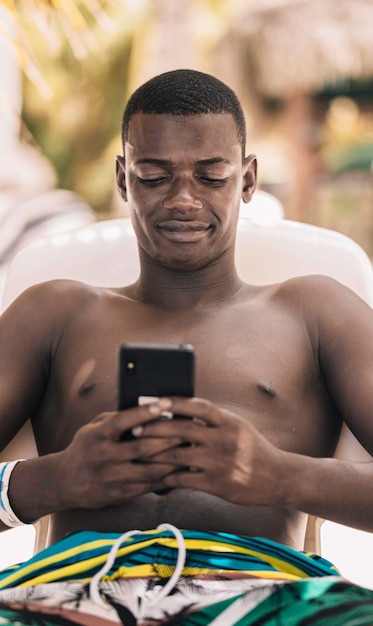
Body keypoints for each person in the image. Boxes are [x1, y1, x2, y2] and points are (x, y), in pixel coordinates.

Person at [0, 69, 372, 624]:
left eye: (211, 175)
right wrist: (53, 481)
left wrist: (277, 477)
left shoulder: (315, 312)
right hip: (72, 588)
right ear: (123, 179)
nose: (183, 199)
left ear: (246, 180)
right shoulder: (53, 312)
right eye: (154, 176)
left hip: (264, 592)